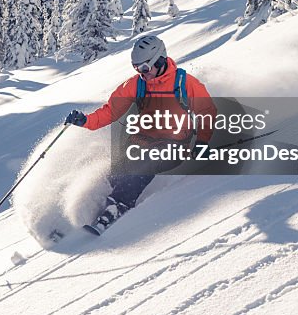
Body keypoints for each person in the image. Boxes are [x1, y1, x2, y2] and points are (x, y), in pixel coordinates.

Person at [63, 34, 217, 234]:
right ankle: (88, 212)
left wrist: (203, 141)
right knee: (114, 172)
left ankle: (117, 206)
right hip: (141, 141)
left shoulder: (184, 83)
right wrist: (86, 121)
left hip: (174, 145)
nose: (142, 73)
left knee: (145, 164)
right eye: (137, 69)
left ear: (159, 60)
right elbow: (111, 111)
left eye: (144, 68)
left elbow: (207, 112)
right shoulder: (137, 84)